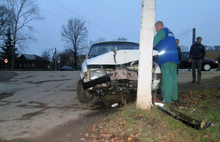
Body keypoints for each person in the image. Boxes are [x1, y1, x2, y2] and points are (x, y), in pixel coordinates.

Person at [153, 21, 180, 103]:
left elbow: (152, 43)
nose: (156, 31)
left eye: (156, 29)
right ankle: (174, 97)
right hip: (174, 59)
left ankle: (167, 99)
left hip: (166, 59)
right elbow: (162, 44)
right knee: (173, 79)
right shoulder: (170, 32)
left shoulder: (162, 32)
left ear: (158, 26)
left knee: (167, 79)